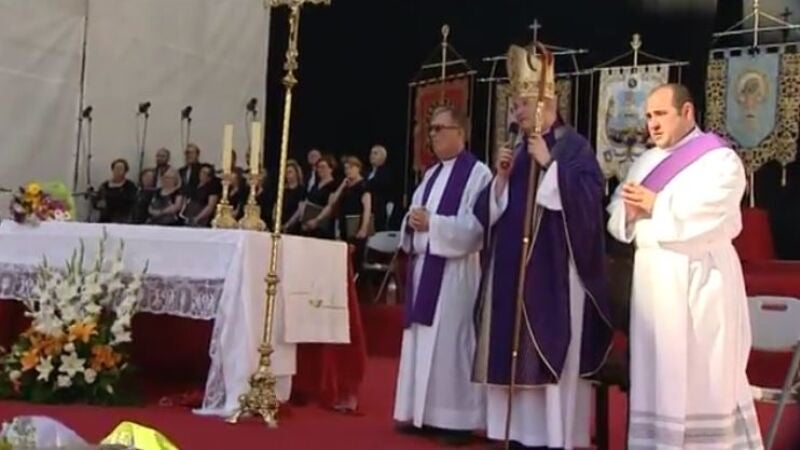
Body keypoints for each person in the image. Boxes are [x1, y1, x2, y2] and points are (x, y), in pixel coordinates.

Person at [607, 83, 763, 449]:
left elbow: (713, 210)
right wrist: (629, 213)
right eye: (649, 116)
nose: (652, 124)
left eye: (661, 114)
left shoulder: (719, 160)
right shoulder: (645, 162)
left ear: (687, 112)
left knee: (702, 376)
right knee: (658, 376)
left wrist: (655, 205)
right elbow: (617, 209)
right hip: (653, 285)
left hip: (701, 283)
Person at [472, 44, 612, 450]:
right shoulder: (517, 149)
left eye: (520, 103)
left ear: (545, 102)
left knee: (546, 348)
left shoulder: (573, 147)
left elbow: (590, 202)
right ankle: (515, 434)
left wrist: (551, 164)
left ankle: (551, 437)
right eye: (514, 104)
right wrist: (500, 179)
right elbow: (488, 212)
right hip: (510, 270)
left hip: (553, 271)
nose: (514, 111)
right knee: (509, 347)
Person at [393, 105, 491, 445]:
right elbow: (413, 215)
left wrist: (432, 224)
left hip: (455, 274)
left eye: (439, 128)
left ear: (460, 132)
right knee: (422, 341)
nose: (432, 134)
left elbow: (477, 228)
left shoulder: (478, 174)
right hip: (425, 269)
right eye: (431, 128)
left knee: (452, 343)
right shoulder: (431, 175)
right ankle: (423, 414)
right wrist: (411, 222)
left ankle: (456, 419)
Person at [92, 158, 137, 223]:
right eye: (116, 168)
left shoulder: (130, 186)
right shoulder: (104, 185)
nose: (118, 171)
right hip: (105, 218)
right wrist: (97, 202)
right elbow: (98, 201)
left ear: (125, 171)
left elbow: (131, 202)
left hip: (122, 218)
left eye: (121, 169)